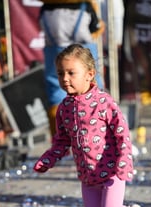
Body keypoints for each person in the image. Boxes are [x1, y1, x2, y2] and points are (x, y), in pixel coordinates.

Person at [33, 44, 148, 207]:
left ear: (89, 74)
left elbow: (122, 133)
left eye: (71, 73)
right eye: (60, 74)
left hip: (113, 170)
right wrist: (49, 158)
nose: (65, 79)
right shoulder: (64, 108)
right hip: (87, 175)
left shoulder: (105, 102)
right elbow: (62, 141)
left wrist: (124, 162)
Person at [39, 0, 104, 138]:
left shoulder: (45, 9)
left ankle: (59, 142)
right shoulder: (85, 6)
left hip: (52, 23)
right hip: (80, 22)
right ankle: (95, 137)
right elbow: (96, 28)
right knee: (92, 89)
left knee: (55, 89)